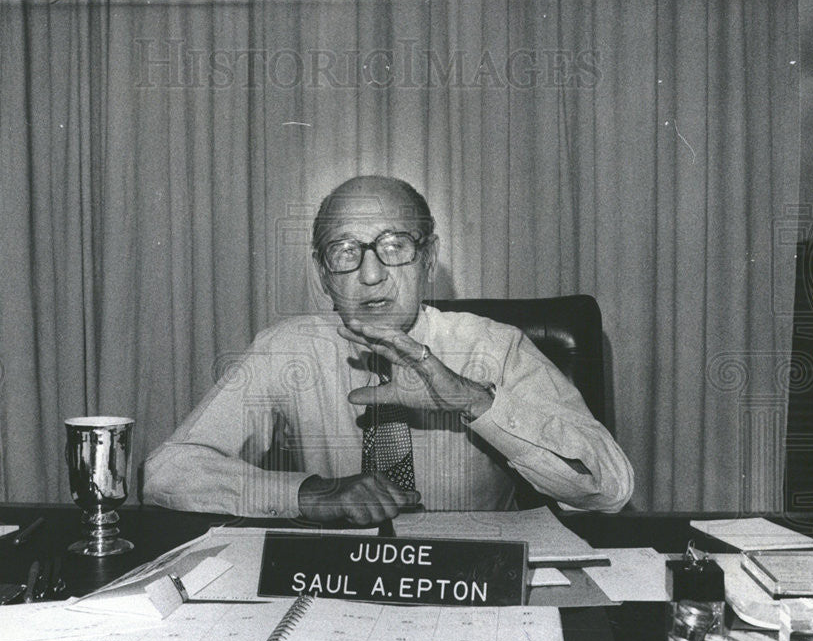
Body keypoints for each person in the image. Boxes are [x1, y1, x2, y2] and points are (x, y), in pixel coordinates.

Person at [143, 176, 633, 525]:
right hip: (342, 581)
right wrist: (306, 493)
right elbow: (167, 472)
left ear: (429, 259)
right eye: (345, 251)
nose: (371, 274)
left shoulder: (494, 346)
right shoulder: (286, 349)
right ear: (323, 275)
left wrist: (472, 401)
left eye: (394, 245)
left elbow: (609, 487)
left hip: (471, 586)